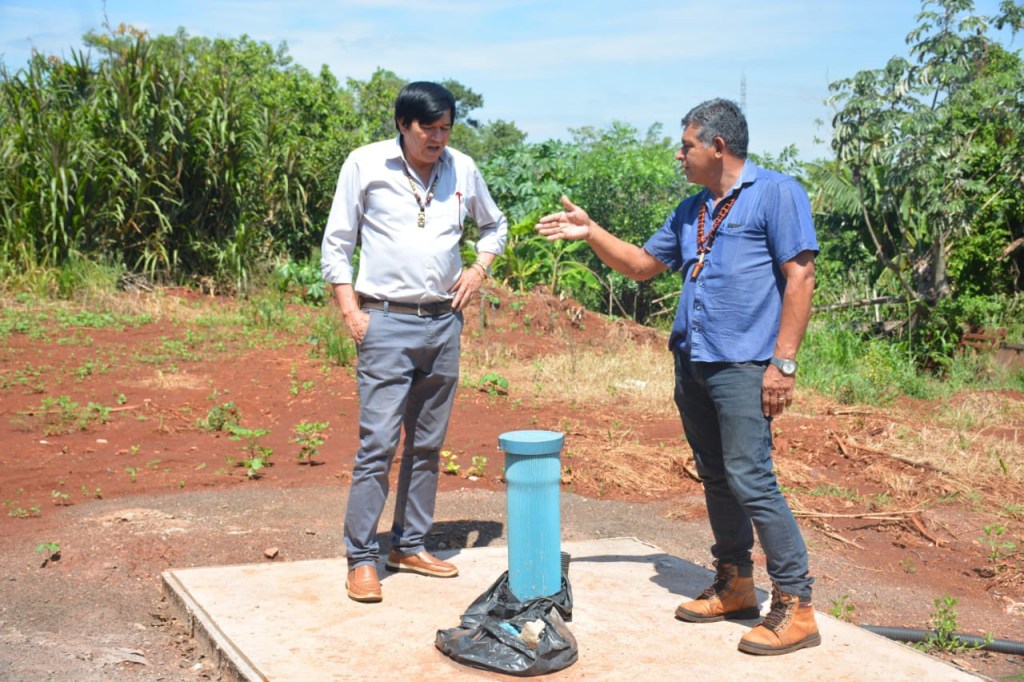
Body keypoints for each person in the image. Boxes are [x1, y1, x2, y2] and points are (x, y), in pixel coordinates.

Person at [535, 98, 820, 655]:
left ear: (718, 146)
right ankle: (735, 583)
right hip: (694, 361)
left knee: (752, 477)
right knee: (716, 475)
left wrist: (783, 363)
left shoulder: (776, 193)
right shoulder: (693, 209)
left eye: (686, 145)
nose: (679, 155)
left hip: (744, 365)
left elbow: (800, 277)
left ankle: (797, 604)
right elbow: (642, 266)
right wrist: (591, 232)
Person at [321, 81, 508, 604]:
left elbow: (495, 226)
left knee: (427, 445)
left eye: (446, 128)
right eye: (429, 128)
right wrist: (350, 311)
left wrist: (478, 270)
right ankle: (362, 558)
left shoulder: (462, 169)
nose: (438, 138)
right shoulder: (366, 164)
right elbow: (337, 242)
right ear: (404, 124)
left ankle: (409, 545)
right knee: (378, 444)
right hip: (384, 321)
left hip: (443, 324)